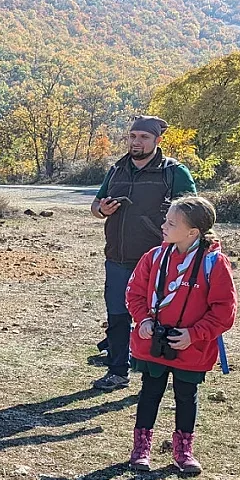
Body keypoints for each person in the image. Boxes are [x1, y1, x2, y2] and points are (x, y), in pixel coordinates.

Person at [125, 197, 236, 475]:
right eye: (166, 220)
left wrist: (194, 334)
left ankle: (183, 451)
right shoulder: (154, 257)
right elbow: (135, 292)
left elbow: (225, 310)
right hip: (154, 343)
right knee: (150, 392)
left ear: (192, 232)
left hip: (192, 348)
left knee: (187, 396)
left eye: (171, 223)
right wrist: (145, 319)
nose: (163, 225)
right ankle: (141, 448)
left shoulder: (214, 263)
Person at [91, 115, 197, 393]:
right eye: (133, 136)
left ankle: (155, 377)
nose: (136, 142)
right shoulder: (116, 170)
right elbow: (95, 205)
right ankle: (117, 372)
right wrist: (103, 209)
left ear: (157, 140)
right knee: (117, 315)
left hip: (159, 260)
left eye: (144, 137)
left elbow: (193, 213)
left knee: (158, 317)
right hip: (117, 257)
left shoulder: (174, 172)